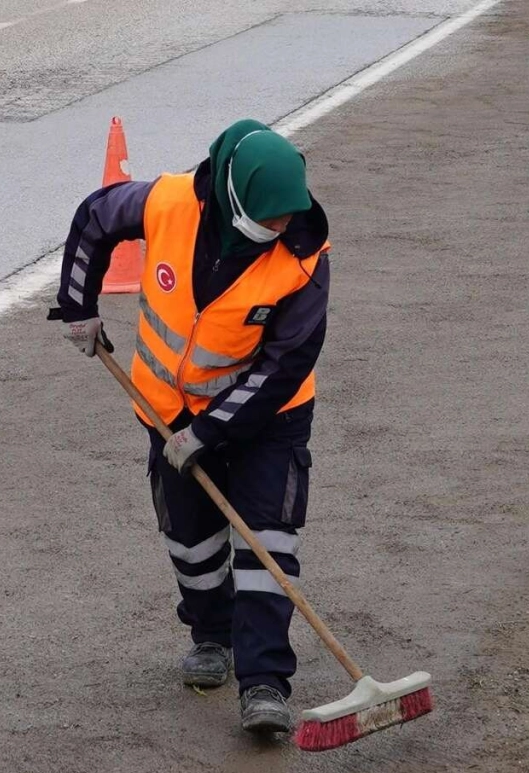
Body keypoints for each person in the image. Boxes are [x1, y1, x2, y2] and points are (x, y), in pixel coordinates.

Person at [50, 119, 330, 736]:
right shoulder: (170, 202)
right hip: (167, 408)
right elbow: (95, 217)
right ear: (235, 202)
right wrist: (78, 306)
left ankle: (264, 685)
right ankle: (211, 635)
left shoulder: (304, 254)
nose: (283, 228)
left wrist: (211, 433)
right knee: (191, 539)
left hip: (268, 418)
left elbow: (287, 364)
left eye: (289, 216)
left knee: (266, 542)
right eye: (271, 219)